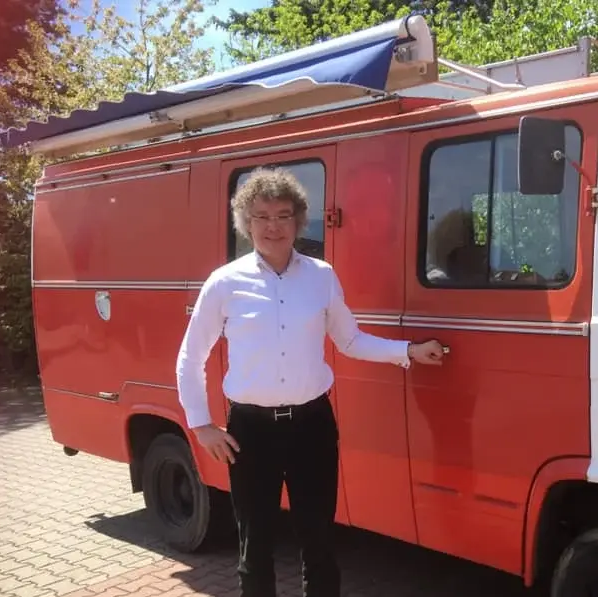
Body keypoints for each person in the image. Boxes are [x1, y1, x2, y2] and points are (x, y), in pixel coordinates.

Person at [174, 166, 447, 597]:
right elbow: (191, 356)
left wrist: (408, 351)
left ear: (299, 221)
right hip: (251, 432)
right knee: (255, 547)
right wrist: (201, 425)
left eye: (283, 215)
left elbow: (350, 340)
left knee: (319, 544)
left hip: (312, 428)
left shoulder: (321, 276)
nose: (273, 226)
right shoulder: (224, 283)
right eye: (262, 217)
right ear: (246, 222)